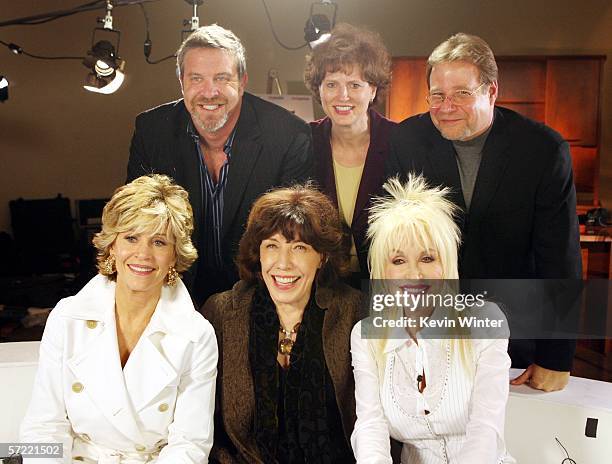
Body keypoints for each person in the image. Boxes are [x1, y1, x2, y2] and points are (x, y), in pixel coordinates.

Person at [385, 32, 582, 392]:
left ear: (491, 91)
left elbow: (560, 260)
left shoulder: (543, 150)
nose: (446, 107)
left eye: (462, 93)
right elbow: (394, 247)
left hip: (515, 342)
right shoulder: (406, 141)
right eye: (437, 95)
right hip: (429, 333)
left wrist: (556, 357)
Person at [20, 175, 218, 463]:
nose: (143, 254)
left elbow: (190, 444)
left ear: (175, 256)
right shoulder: (67, 317)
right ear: (112, 246)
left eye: (159, 242)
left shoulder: (197, 336)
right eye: (131, 237)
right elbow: (42, 428)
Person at [128, 24, 313, 307]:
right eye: (197, 78)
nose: (209, 91)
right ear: (181, 82)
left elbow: (291, 237)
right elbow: (139, 224)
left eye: (222, 78)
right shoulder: (152, 131)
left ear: (242, 81)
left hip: (261, 297)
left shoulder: (287, 135)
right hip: (174, 296)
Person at [351, 175, 513, 463]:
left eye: (427, 258)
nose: (415, 274)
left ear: (447, 263)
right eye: (398, 261)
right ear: (382, 270)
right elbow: (369, 426)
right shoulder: (366, 335)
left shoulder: (485, 321)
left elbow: (486, 430)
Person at [201, 184, 363, 463]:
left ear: (322, 256)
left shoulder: (354, 311)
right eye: (272, 246)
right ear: (259, 253)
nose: (283, 263)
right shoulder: (223, 312)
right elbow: (206, 428)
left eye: (299, 247)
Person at [304, 23, 396, 283]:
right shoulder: (303, 142)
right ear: (318, 89)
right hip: (320, 286)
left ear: (373, 90)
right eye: (331, 84)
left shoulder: (400, 141)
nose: (342, 96)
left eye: (355, 85)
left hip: (384, 286)